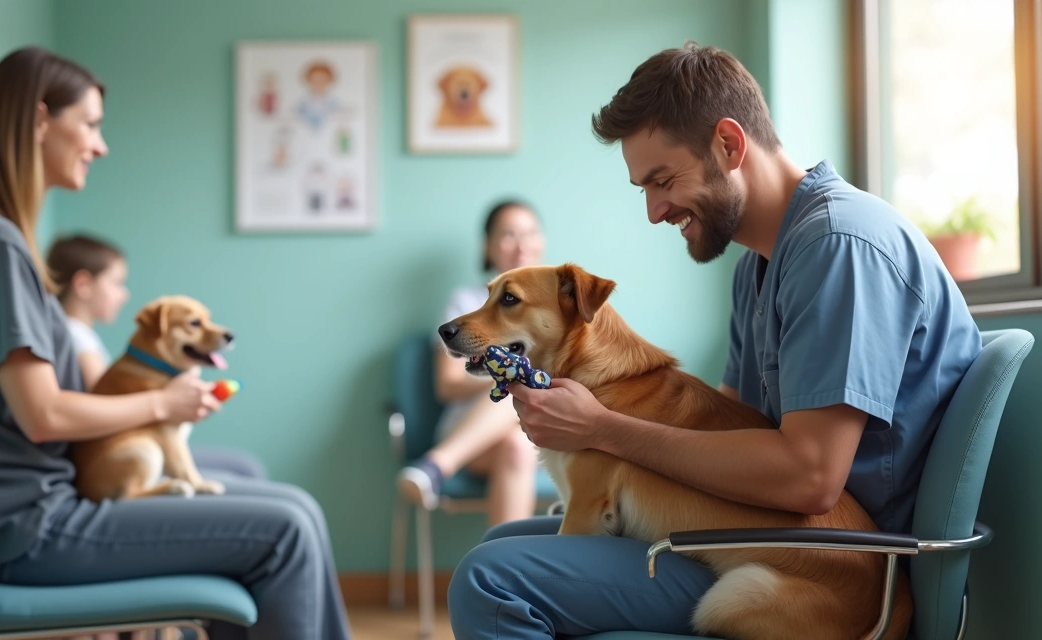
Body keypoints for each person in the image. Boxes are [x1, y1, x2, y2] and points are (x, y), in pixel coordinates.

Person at [447, 42, 983, 638]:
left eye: (664, 180)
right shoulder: (759, 266)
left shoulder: (838, 247)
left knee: (490, 577)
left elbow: (811, 478)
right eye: (642, 189)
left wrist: (601, 427)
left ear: (729, 145)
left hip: (824, 573)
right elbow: (716, 430)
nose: (654, 211)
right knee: (505, 541)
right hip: (766, 533)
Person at [0, 46, 350, 640]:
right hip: (32, 530)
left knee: (297, 511)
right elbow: (43, 414)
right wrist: (162, 403)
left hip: (21, 519)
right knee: (288, 528)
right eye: (88, 124)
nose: (99, 144)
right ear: (39, 122)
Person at [46, 234, 269, 481]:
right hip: (118, 453)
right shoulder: (77, 338)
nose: (124, 295)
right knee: (246, 474)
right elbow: (103, 405)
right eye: (117, 283)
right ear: (83, 285)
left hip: (138, 442)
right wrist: (170, 403)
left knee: (245, 468)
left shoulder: (83, 334)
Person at [397, 200, 546, 527]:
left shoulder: (554, 308)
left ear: (541, 241)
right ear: (488, 246)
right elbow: (447, 384)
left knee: (518, 446)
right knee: (511, 387)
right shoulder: (465, 303)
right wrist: (505, 379)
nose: (521, 245)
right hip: (470, 433)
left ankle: (433, 468)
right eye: (508, 234)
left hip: (535, 433)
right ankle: (440, 463)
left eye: (530, 233)